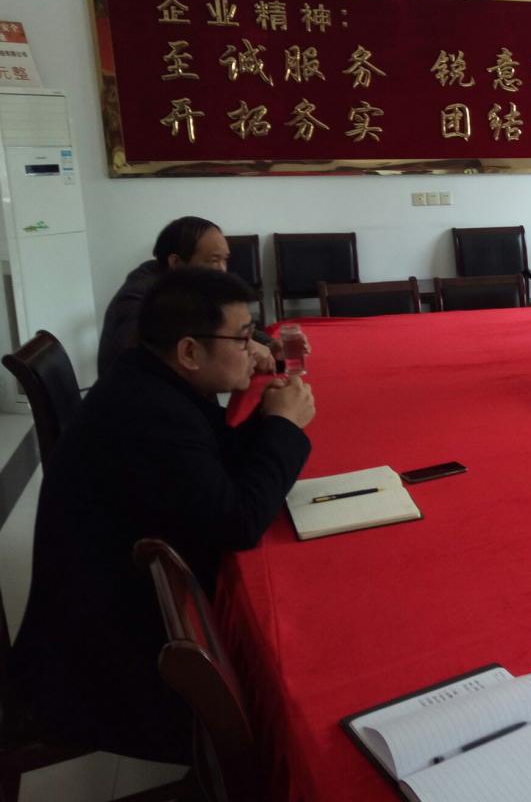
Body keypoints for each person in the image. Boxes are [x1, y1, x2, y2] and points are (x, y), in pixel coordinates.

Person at [7, 268, 315, 763]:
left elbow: (214, 460)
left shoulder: (151, 380)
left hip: (113, 610)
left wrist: (266, 419)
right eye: (242, 338)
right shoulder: (150, 414)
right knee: (292, 711)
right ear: (189, 351)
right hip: (104, 667)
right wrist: (282, 428)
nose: (253, 349)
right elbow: (237, 522)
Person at [97, 216, 280, 377]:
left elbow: (227, 321)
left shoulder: (192, 285)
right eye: (214, 260)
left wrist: (269, 344)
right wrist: (245, 344)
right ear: (176, 263)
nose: (222, 270)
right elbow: (153, 347)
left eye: (225, 260)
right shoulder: (138, 296)